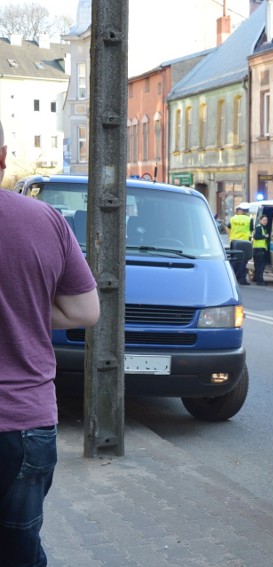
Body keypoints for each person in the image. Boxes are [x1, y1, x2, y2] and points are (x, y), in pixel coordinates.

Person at [0, 120, 100, 565]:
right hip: (25, 423)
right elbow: (85, 312)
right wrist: (24, 306)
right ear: (2, 158)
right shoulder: (43, 220)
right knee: (19, 550)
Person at [227, 202, 253, 285]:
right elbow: (251, 230)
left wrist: (230, 236)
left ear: (240, 210)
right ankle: (242, 279)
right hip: (244, 243)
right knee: (243, 261)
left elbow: (228, 228)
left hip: (234, 242)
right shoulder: (249, 219)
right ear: (246, 211)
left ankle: (231, 278)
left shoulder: (233, 219)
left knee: (234, 261)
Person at [251, 215, 270, 286]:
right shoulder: (259, 227)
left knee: (259, 265)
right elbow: (256, 236)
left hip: (261, 248)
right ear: (260, 220)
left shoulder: (263, 227)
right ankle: (260, 281)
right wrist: (265, 236)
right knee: (260, 266)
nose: (265, 221)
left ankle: (259, 280)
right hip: (259, 248)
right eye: (264, 220)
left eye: (266, 220)